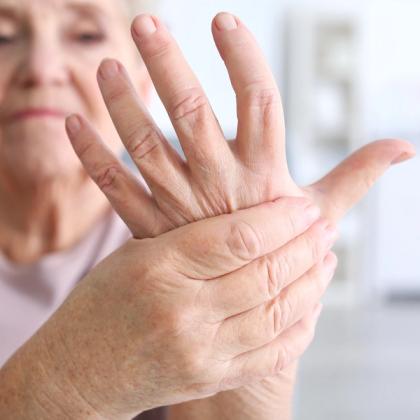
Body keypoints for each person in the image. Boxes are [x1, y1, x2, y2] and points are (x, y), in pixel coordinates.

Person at [0, 1, 415, 419]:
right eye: (2, 37)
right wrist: (69, 384)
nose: (41, 68)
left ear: (142, 84)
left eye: (85, 35)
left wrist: (238, 381)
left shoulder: (193, 247)